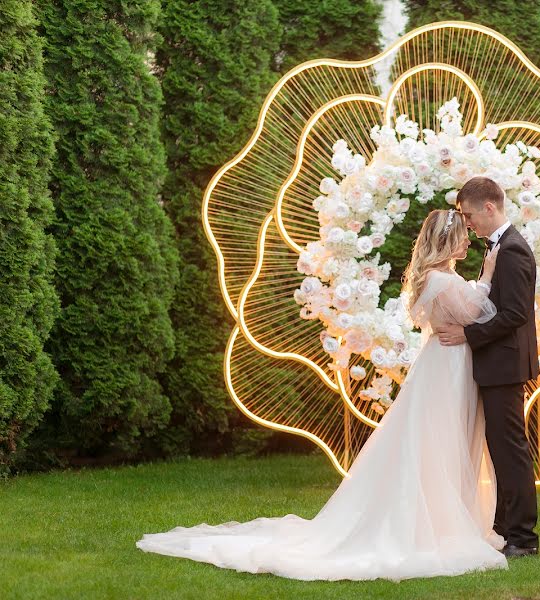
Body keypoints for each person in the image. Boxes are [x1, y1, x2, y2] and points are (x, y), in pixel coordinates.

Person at [135, 208, 509, 582]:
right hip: (447, 368)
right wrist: (488, 276)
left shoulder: (439, 277)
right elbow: (479, 311)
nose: (467, 240)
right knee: (442, 441)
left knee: (447, 440)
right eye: (462, 235)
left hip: (447, 364)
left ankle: (449, 518)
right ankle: (440, 525)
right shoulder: (441, 281)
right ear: (447, 240)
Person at [436, 176, 540, 558]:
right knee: (500, 449)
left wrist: (468, 334)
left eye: (468, 215)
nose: (467, 223)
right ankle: (504, 527)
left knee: (509, 450)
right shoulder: (499, 248)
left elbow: (514, 313)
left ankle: (524, 539)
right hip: (498, 364)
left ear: (489, 208)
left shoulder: (512, 250)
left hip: (504, 366)